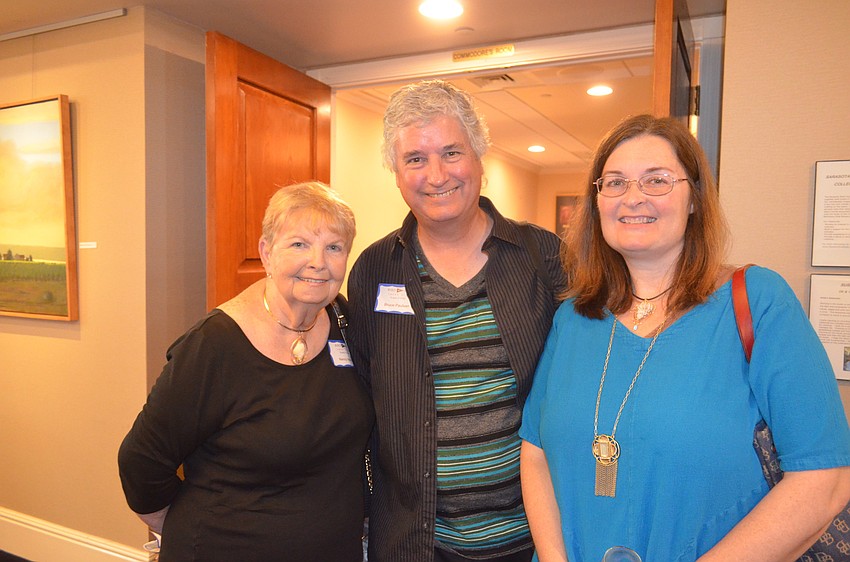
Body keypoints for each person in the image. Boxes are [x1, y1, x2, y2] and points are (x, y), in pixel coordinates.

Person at [519, 114, 850, 561]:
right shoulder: (574, 317)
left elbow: (823, 480)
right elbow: (535, 451)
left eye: (656, 180)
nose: (632, 197)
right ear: (597, 202)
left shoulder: (758, 302)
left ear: (694, 198)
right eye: (614, 182)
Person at [347, 79, 567, 562]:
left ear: (480, 158)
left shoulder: (542, 256)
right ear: (397, 172)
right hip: (415, 544)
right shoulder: (373, 270)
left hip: (533, 540)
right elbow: (357, 398)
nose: (436, 174)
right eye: (415, 159)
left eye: (451, 152)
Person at [118, 181, 373, 561]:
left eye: (333, 247)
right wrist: (186, 531)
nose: (318, 262)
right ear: (266, 253)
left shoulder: (346, 322)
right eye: (299, 244)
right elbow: (141, 460)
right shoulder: (215, 345)